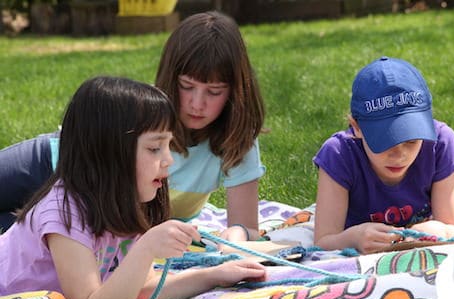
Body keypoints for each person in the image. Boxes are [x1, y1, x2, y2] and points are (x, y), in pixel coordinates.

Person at [0, 76, 267, 299]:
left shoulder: (127, 202)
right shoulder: (65, 211)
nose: (169, 160)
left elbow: (145, 288)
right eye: (154, 148)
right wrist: (146, 248)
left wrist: (215, 275)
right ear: (109, 153)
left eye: (168, 146)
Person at [0, 11, 266, 243]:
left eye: (214, 91)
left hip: (75, 216)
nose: (197, 103)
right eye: (187, 86)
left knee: (13, 243)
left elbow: (246, 227)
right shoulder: (146, 112)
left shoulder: (236, 141)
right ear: (170, 77)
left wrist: (237, 234)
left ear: (235, 91)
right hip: (50, 162)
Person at [313, 56, 454, 254]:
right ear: (357, 128)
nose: (399, 155)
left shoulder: (440, 144)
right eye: (385, 141)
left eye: (412, 141)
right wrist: (353, 238)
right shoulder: (338, 154)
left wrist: (438, 231)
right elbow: (323, 242)